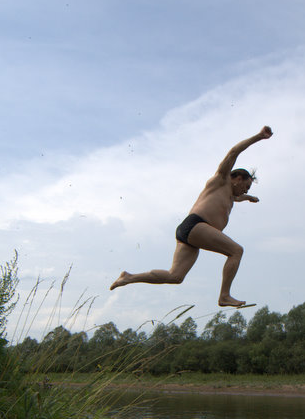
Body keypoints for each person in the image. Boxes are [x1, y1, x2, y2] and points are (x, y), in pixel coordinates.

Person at [110, 125, 273, 307]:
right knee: (236, 251)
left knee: (175, 276)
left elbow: (238, 197)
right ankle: (224, 295)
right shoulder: (221, 179)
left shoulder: (231, 196)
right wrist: (259, 137)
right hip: (197, 225)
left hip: (189, 232)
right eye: (246, 186)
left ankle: (129, 277)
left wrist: (249, 198)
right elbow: (234, 152)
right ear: (237, 178)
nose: (245, 190)